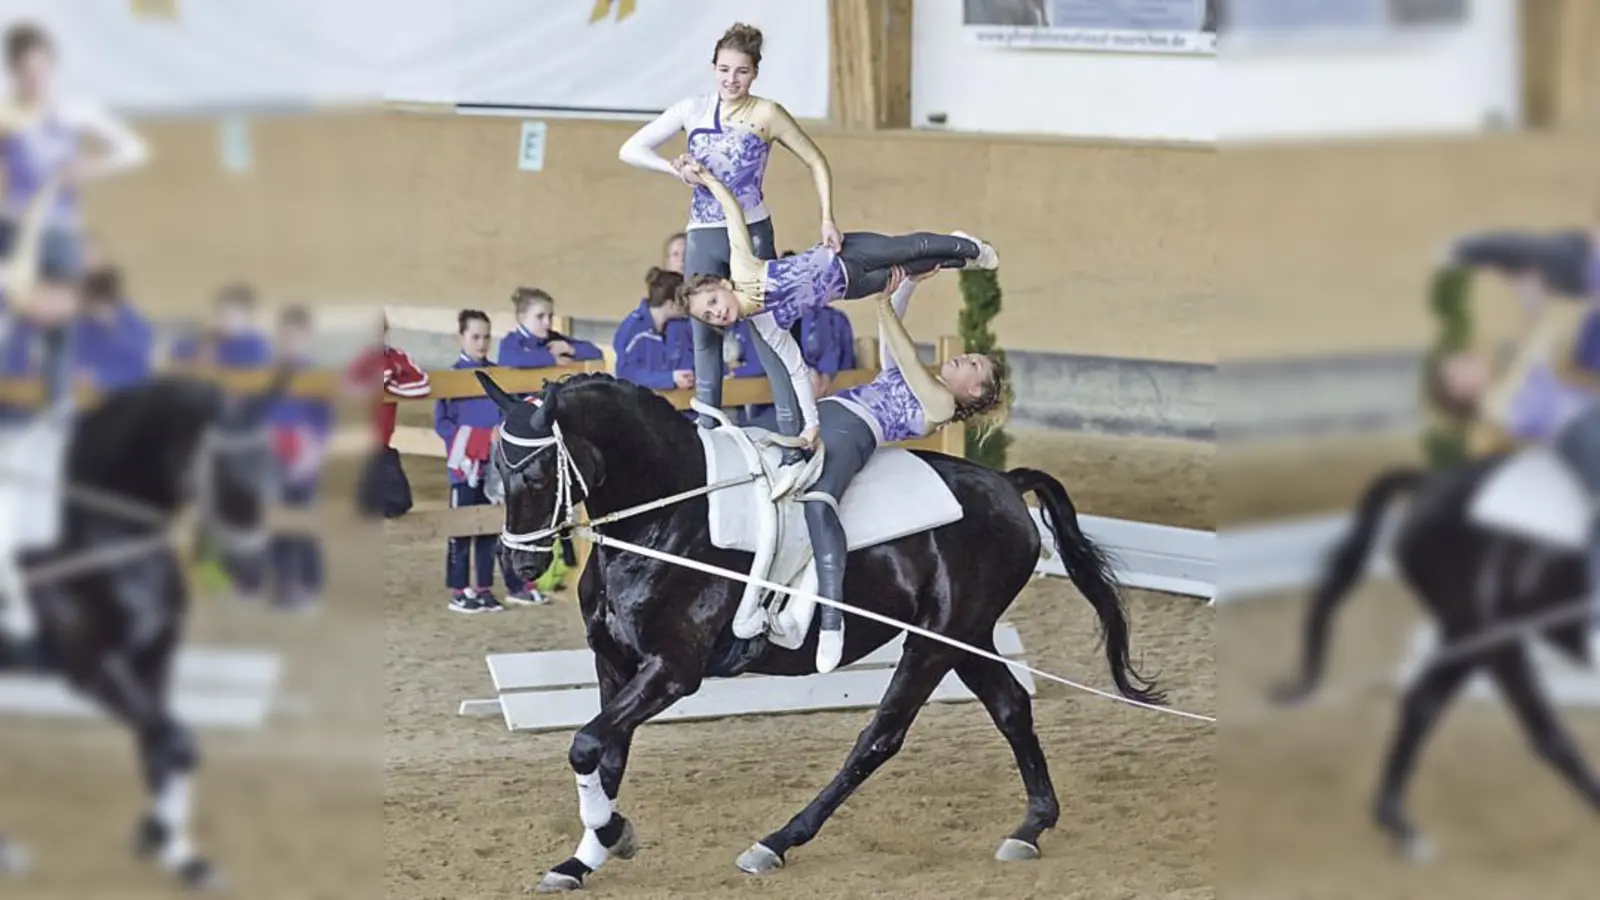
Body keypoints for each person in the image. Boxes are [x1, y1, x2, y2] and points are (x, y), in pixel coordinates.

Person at [717, 265, 1014, 674]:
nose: (964, 358)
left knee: (819, 505)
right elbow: (895, 340)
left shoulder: (940, 404)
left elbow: (907, 355)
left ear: (975, 391)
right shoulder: (911, 379)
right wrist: (907, 282)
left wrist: (884, 307)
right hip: (817, 415)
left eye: (974, 365)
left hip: (854, 432)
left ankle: (821, 621)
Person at [677, 160, 997, 463]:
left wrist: (707, 179)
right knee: (906, 268)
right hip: (850, 285)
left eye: (713, 303)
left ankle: (966, 248)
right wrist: (811, 423)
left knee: (908, 248)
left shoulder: (745, 268)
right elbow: (797, 372)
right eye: (708, 316)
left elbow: (733, 214)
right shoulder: (767, 325)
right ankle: (958, 259)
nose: (717, 314)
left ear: (723, 284)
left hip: (841, 253)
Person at [619, 22, 840, 454]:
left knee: (770, 334)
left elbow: (816, 160)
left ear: (754, 72)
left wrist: (827, 218)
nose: (730, 80)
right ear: (712, 68)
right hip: (703, 231)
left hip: (754, 231)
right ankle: (708, 438)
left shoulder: (767, 113)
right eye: (723, 70)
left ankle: (793, 435)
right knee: (705, 334)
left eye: (740, 71)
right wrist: (675, 170)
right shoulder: (692, 109)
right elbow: (631, 149)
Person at [434, 310, 540, 612]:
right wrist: (478, 440)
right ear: (462, 337)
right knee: (462, 527)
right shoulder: (450, 379)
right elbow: (443, 424)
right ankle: (459, 589)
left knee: (489, 527)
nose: (481, 343)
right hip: (465, 467)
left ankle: (483, 587)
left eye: (485, 337)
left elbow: (509, 411)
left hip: (494, 467)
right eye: (475, 337)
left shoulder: (499, 376)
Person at [260, 305, 331, 612]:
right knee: (275, 521)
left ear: (307, 338)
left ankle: (308, 584)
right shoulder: (268, 375)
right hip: (272, 455)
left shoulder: (314, 376)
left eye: (296, 336)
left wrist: (312, 453)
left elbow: (323, 421)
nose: (290, 341)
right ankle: (282, 583)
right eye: (285, 335)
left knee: (302, 521)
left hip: (302, 457)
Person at [350, 314, 431, 519]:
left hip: (381, 447)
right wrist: (385, 379)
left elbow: (423, 385)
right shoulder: (353, 358)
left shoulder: (395, 357)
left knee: (398, 503)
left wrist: (390, 385)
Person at [612, 266, 696, 392]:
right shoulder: (633, 329)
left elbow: (689, 359)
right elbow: (625, 374)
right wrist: (670, 378)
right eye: (685, 300)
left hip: (678, 402)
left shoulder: (680, 326)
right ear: (671, 303)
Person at [497, 286, 603, 369]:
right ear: (521, 317)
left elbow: (596, 354)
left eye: (550, 316)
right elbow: (513, 360)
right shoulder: (511, 342)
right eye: (540, 316)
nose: (547, 322)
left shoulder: (554, 339)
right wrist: (552, 359)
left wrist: (570, 349)